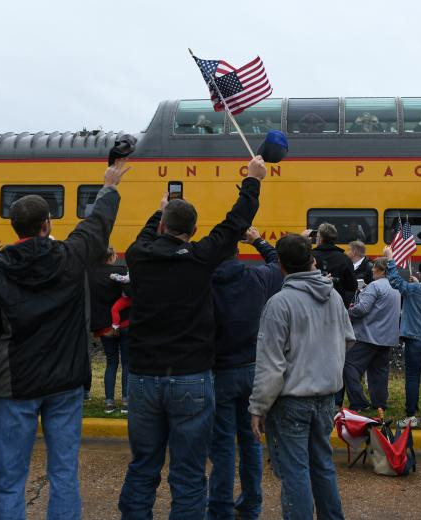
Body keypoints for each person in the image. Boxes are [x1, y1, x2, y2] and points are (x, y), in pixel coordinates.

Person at [0, 160, 129, 520]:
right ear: (47, 224)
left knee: (9, 478)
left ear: (14, 227)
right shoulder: (70, 257)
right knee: (64, 473)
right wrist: (110, 187)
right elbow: (97, 226)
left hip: (15, 386)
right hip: (66, 383)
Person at [118, 156, 266, 519]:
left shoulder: (138, 255)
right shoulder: (201, 258)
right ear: (194, 229)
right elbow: (235, 224)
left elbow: (143, 235)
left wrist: (159, 211)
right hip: (190, 376)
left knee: (143, 467)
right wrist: (253, 181)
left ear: (162, 226)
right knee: (187, 474)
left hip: (142, 375)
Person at [249, 234, 354, 520]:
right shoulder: (333, 296)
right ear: (313, 260)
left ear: (280, 264)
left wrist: (257, 407)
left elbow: (270, 364)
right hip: (325, 397)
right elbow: (347, 339)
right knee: (323, 465)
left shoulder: (279, 303)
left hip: (291, 401)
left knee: (295, 470)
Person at [207, 226, 283, 520]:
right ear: (238, 253)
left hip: (220, 370)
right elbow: (277, 263)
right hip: (253, 370)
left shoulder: (206, 283)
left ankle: (220, 508)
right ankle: (251, 504)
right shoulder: (257, 278)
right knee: (251, 439)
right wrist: (258, 241)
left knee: (223, 444)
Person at [383, 248, 421, 428]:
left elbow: (395, 281)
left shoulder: (415, 290)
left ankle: (411, 416)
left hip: (415, 340)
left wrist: (391, 259)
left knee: (412, 378)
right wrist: (419, 283)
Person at [344, 257, 401, 411]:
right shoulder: (395, 287)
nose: (372, 270)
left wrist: (346, 312)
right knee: (379, 371)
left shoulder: (375, 286)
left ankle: (359, 402)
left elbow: (362, 309)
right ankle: (380, 403)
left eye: (374, 267)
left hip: (368, 335)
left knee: (349, 366)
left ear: (382, 270)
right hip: (387, 337)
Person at [88, 247, 129, 414]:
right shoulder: (121, 270)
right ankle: (126, 402)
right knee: (127, 363)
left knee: (111, 363)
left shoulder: (91, 274)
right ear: (112, 256)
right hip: (125, 322)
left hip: (103, 326)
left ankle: (109, 402)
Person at [310, 222, 357, 307]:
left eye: (317, 237)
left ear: (320, 239)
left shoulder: (310, 257)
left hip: (313, 306)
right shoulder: (345, 259)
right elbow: (352, 286)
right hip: (337, 306)